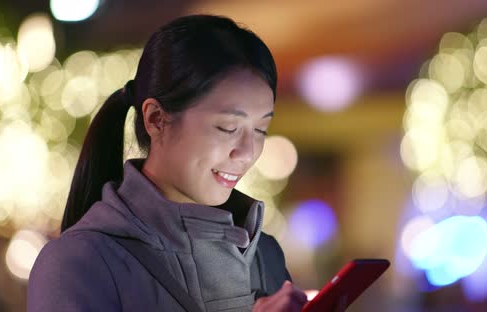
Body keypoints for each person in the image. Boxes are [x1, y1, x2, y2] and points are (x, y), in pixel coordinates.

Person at [27, 14, 309, 311]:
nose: (248, 152)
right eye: (227, 128)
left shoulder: (266, 255)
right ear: (156, 119)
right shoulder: (78, 263)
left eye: (261, 130)